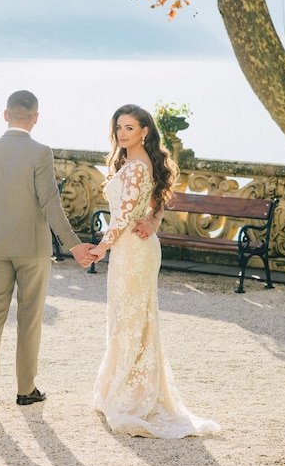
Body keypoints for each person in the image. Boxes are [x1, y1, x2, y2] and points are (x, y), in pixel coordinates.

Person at [89, 104, 221, 438]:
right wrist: (151, 220)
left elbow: (121, 216)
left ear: (145, 131)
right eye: (119, 127)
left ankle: (131, 394)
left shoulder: (135, 167)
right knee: (132, 317)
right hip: (132, 247)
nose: (122, 133)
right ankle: (126, 388)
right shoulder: (135, 162)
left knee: (132, 318)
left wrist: (101, 247)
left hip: (132, 250)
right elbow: (154, 201)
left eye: (129, 128)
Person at [0, 90, 96, 407]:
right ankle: (26, 390)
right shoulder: (40, 152)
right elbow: (50, 204)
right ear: (35, 118)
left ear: (5, 115)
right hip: (32, 249)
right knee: (29, 318)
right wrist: (74, 246)